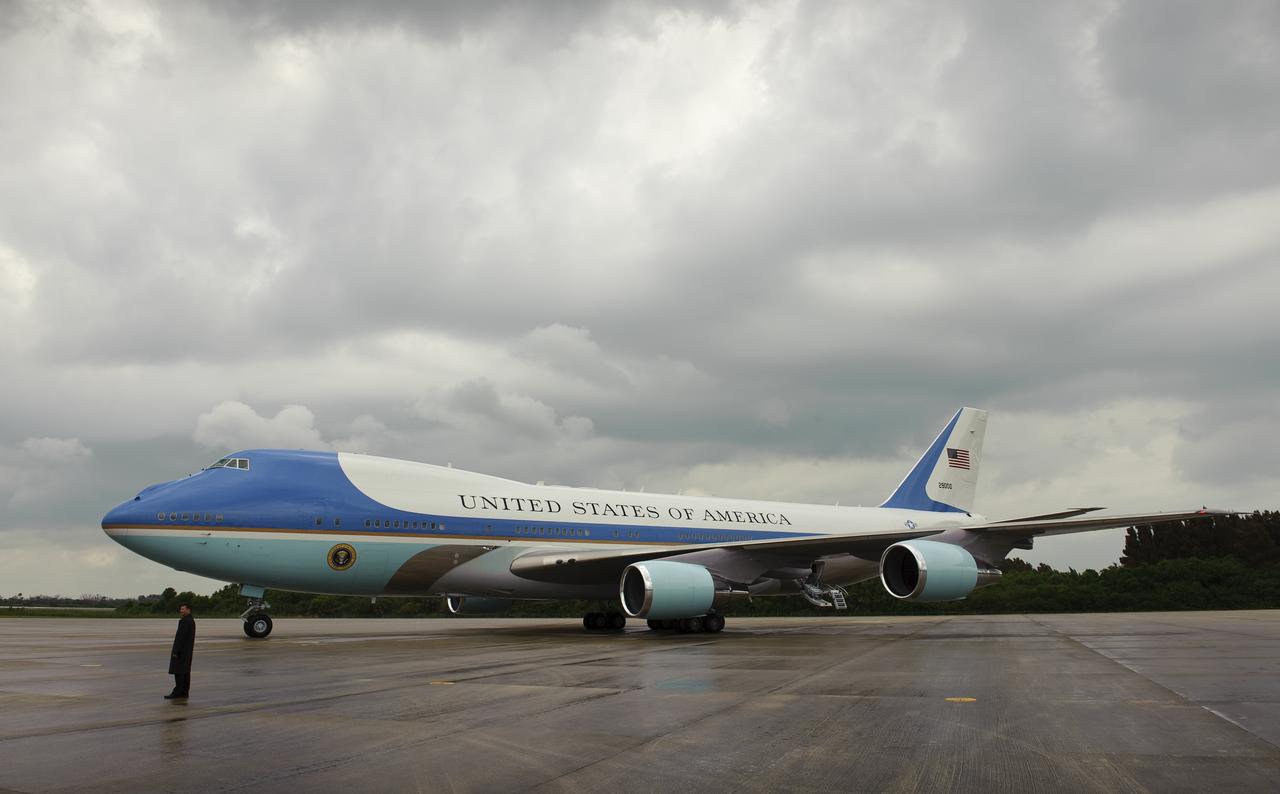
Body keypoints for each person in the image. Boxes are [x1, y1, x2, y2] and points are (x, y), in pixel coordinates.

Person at [165, 603, 195, 699]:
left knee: (179, 672)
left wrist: (175, 651)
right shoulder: (191, 621)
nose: (181, 611)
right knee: (185, 672)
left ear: (188, 610)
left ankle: (177, 691)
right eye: (181, 609)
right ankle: (184, 691)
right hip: (187, 651)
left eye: (183, 609)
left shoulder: (186, 622)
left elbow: (180, 638)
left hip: (182, 652)